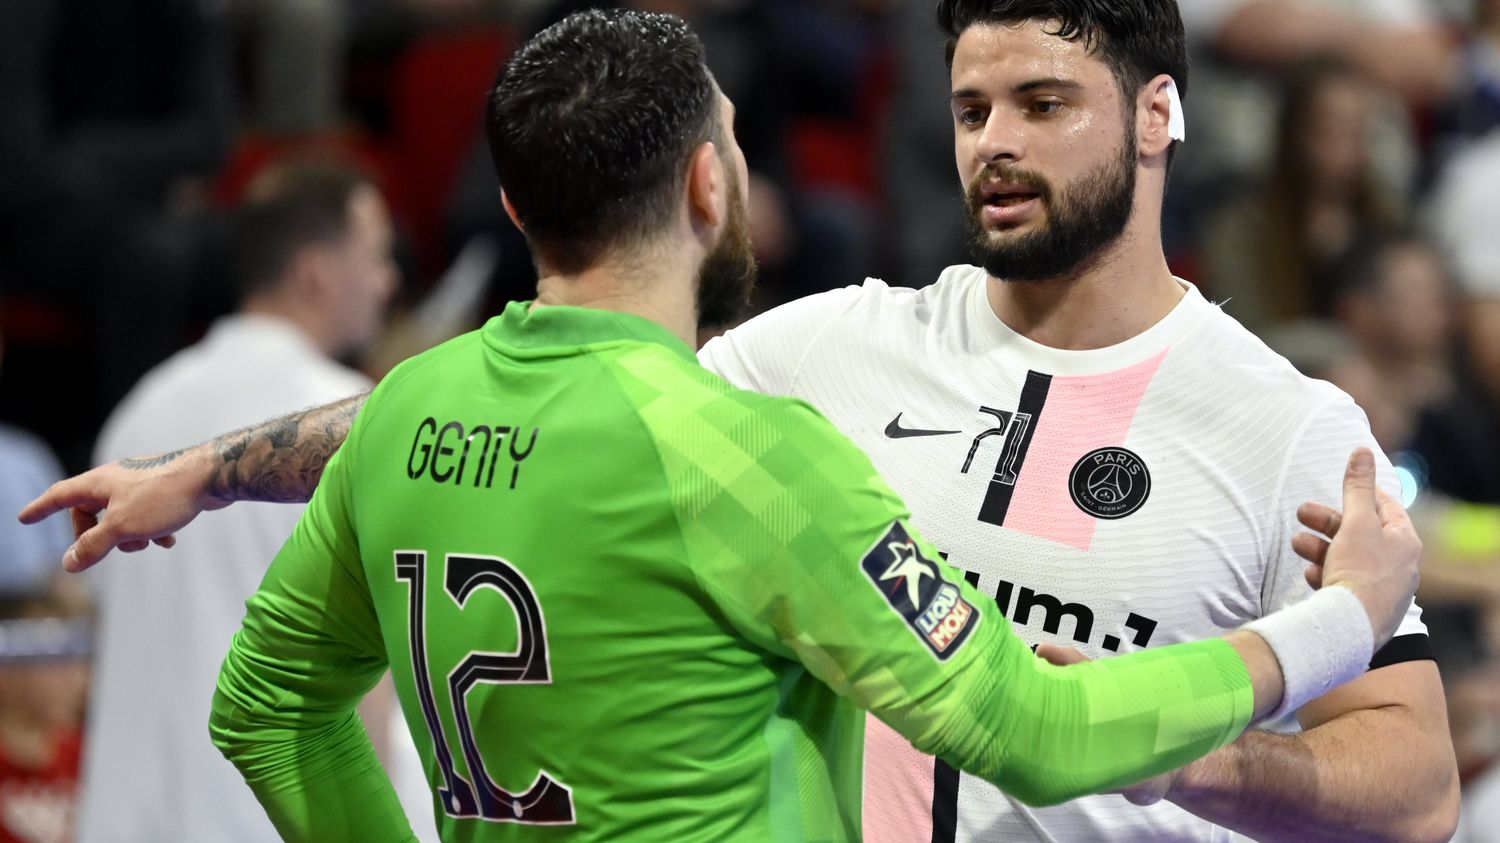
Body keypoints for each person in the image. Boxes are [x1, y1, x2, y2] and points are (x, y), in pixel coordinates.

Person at [19, 9, 1425, 843]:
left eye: (1042, 103)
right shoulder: (816, 367)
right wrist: (1331, 620)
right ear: (710, 183)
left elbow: (1418, 788)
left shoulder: (1287, 417)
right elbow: (1033, 722)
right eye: (968, 105)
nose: (991, 138)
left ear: (1160, 114)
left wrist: (204, 471)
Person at [74, 159, 411, 843]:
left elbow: (92, 617)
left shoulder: (138, 411)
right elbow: (364, 669)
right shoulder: (364, 424)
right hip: (264, 820)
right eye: (375, 255)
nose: (390, 280)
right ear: (314, 272)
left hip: (124, 817)